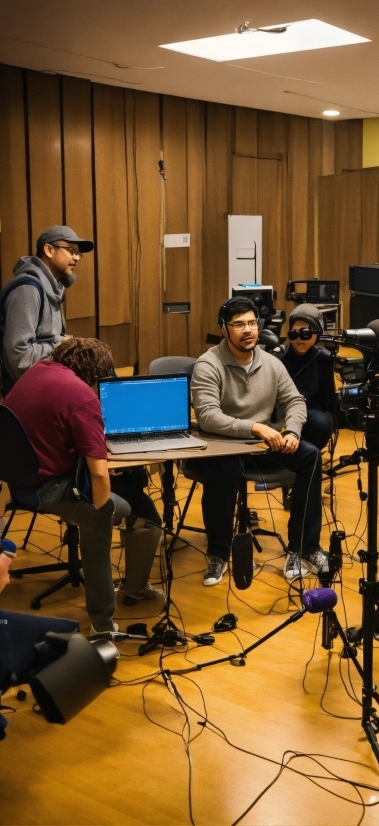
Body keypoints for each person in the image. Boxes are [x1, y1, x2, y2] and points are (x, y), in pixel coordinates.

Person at [2, 337, 164, 635]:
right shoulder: (81, 396)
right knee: (105, 513)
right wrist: (101, 511)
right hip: (46, 486)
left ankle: (134, 587)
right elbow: (100, 476)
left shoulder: (38, 371)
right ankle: (103, 624)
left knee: (136, 499)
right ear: (96, 373)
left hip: (20, 480)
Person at [189, 296, 327, 585]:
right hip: (223, 444)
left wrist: (292, 431)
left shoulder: (271, 363)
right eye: (238, 324)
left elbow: (295, 402)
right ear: (224, 329)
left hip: (262, 443)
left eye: (252, 323)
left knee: (310, 456)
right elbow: (208, 417)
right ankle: (218, 553)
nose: (248, 330)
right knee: (222, 470)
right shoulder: (208, 364)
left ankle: (303, 548)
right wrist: (255, 428)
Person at [0, 226, 93, 395]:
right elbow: (19, 355)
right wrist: (61, 344)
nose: (76, 258)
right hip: (24, 394)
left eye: (78, 254)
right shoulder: (28, 289)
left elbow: (48, 339)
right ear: (49, 250)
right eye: (71, 250)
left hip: (44, 383)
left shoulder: (53, 288)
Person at [279, 304, 336, 450]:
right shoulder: (278, 356)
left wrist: (330, 423)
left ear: (318, 333)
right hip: (280, 411)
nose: (299, 339)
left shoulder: (324, 359)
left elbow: (329, 399)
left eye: (305, 333)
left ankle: (305, 456)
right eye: (294, 333)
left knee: (321, 423)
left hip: (310, 411)